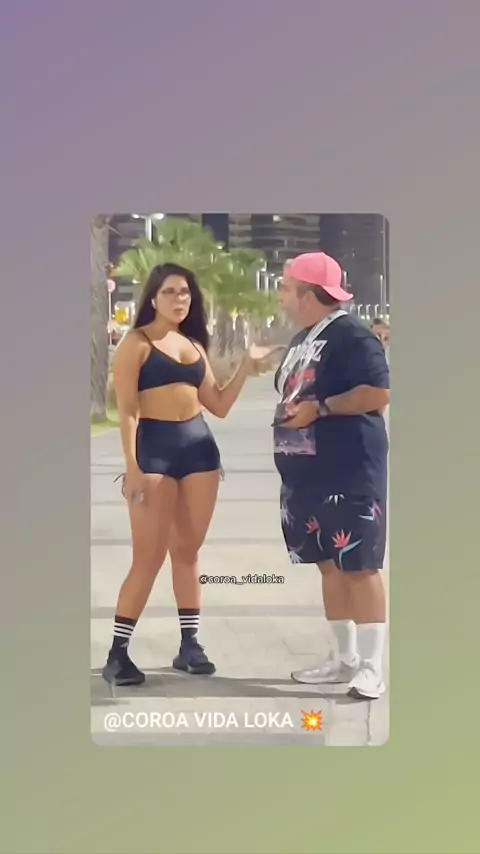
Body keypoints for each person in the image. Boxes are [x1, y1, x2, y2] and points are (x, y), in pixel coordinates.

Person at [102, 262, 278, 686]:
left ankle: (190, 645)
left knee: (188, 552)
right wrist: (132, 467)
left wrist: (245, 366)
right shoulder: (137, 344)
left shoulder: (194, 345)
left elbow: (218, 405)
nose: (179, 299)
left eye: (184, 292)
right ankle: (117, 654)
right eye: (170, 292)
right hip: (154, 454)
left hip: (199, 453)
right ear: (153, 297)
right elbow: (127, 412)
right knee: (147, 558)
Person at [273, 253, 390, 700]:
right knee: (328, 564)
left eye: (286, 288)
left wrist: (320, 409)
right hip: (305, 473)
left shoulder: (352, 334)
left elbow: (378, 392)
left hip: (348, 470)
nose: (280, 296)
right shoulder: (304, 338)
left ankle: (372, 668)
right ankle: (344, 660)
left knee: (359, 565)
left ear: (308, 294)